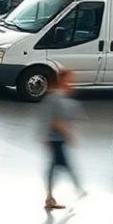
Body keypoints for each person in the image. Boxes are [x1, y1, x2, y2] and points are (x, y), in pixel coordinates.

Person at [43, 68, 85, 210]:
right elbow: (55, 122)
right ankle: (77, 188)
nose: (72, 84)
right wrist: (69, 135)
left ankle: (52, 196)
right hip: (56, 139)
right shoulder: (57, 99)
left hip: (55, 138)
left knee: (56, 167)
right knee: (63, 165)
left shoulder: (57, 98)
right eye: (69, 81)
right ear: (62, 82)